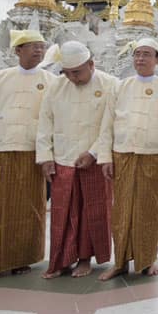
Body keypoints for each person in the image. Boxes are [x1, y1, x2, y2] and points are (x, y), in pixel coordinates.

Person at [94, 38, 158, 281]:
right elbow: (107, 124)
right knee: (121, 210)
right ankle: (119, 262)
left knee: (149, 209)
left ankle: (147, 260)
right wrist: (105, 157)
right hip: (123, 153)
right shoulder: (120, 87)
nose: (140, 59)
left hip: (154, 155)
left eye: (147, 54)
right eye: (137, 54)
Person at [0, 30, 51, 279]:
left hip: (31, 151)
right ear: (17, 51)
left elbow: (52, 120)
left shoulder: (51, 80)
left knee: (29, 207)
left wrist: (49, 154)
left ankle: (22, 258)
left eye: (41, 47)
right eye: (31, 47)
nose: (38, 51)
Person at [36, 41, 118, 279]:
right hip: (63, 157)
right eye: (67, 73)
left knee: (92, 212)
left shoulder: (111, 85)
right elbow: (45, 122)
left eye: (77, 72)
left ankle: (84, 259)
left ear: (91, 64)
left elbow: (110, 125)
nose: (72, 78)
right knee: (62, 212)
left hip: (95, 162)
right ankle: (61, 260)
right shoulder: (56, 87)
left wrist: (93, 153)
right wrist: (45, 157)